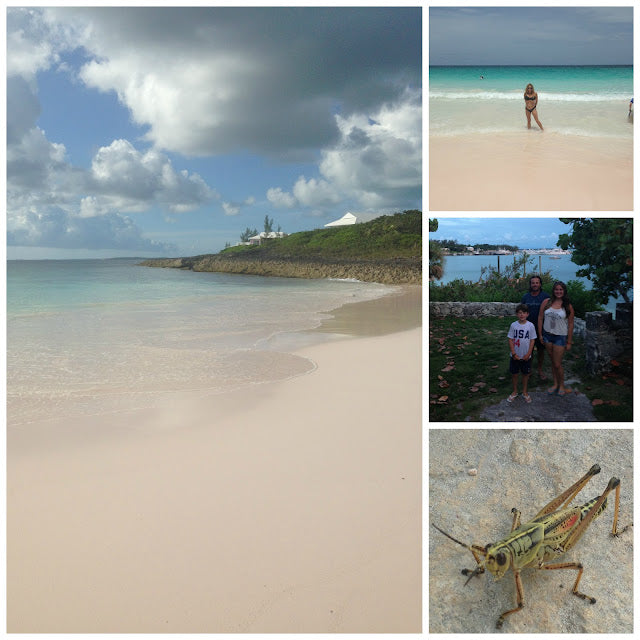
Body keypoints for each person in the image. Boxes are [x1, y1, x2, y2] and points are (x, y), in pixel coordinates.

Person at [538, 281, 575, 396]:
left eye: (561, 290)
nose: (558, 292)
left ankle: (562, 385)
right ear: (553, 291)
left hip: (560, 337)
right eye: (556, 289)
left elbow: (571, 324)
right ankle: (555, 384)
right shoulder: (547, 302)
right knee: (553, 362)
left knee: (558, 364)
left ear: (564, 291)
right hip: (547, 335)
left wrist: (569, 341)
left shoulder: (567, 306)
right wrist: (540, 335)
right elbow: (540, 318)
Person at [521, 275, 550, 380]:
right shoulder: (525, 297)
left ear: (540, 284)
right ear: (530, 284)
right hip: (527, 328)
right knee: (529, 350)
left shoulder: (546, 297)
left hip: (541, 329)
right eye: (533, 283)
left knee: (541, 350)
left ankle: (540, 369)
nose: (535, 285)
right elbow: (521, 312)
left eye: (537, 283)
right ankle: (529, 369)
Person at [507, 303, 537, 404]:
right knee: (515, 374)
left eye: (524, 313)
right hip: (515, 356)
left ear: (527, 314)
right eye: (519, 313)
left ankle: (524, 391)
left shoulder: (531, 326)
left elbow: (532, 340)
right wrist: (514, 353)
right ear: (516, 314)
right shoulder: (513, 325)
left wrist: (528, 354)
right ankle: (515, 391)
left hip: (526, 356)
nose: (522, 315)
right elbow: (510, 339)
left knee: (525, 374)